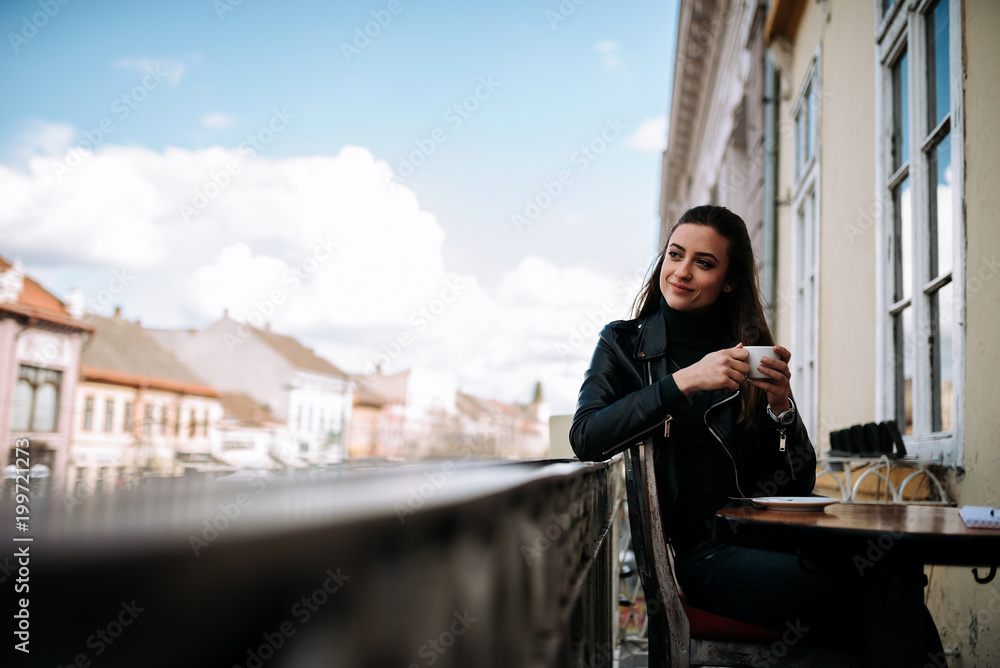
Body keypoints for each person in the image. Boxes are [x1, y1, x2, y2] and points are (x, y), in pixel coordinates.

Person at [570, 205, 940, 663]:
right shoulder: (623, 344)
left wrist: (782, 409)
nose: (681, 272)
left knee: (891, 571)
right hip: (699, 555)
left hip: (767, 540)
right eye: (675, 255)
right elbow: (586, 435)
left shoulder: (745, 351)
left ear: (728, 281)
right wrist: (681, 382)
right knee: (863, 599)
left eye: (703, 263)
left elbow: (795, 483)